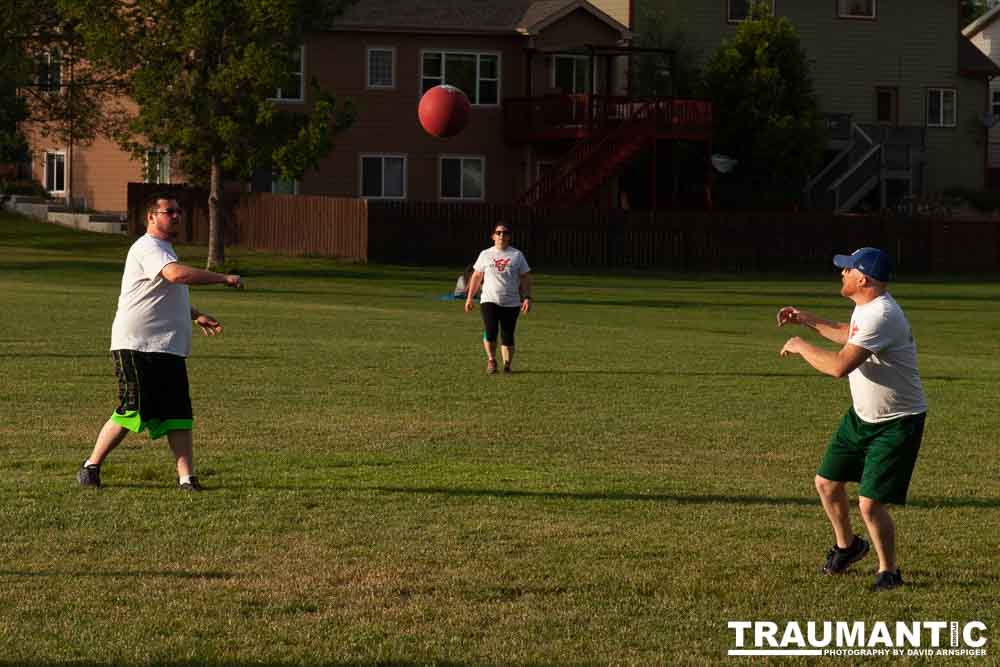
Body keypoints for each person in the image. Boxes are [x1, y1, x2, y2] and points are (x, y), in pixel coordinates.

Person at [778, 247, 927, 592]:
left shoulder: (881, 315)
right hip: (862, 416)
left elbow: (838, 366)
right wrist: (808, 319)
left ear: (863, 279)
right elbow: (850, 333)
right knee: (827, 484)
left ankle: (889, 571)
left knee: (870, 503)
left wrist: (801, 345)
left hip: (897, 421)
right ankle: (848, 548)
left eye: (846, 270)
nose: (841, 274)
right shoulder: (868, 308)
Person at [77, 194, 245, 491]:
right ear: (151, 217)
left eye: (179, 211)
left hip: (167, 346)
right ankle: (90, 466)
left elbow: (163, 291)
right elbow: (176, 276)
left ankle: (187, 479)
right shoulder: (147, 247)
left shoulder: (165, 249)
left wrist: (195, 315)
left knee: (178, 415)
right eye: (170, 211)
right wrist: (223, 278)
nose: (177, 216)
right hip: (137, 345)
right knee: (134, 410)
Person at [464, 222, 532, 374]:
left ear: (509, 236)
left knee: (507, 335)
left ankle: (507, 365)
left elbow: (525, 277)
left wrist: (527, 297)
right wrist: (469, 298)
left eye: (505, 233)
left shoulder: (517, 255)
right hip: (489, 300)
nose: (502, 235)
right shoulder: (486, 254)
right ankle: (491, 360)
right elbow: (476, 276)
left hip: (512, 302)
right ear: (493, 236)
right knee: (491, 331)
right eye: (499, 232)